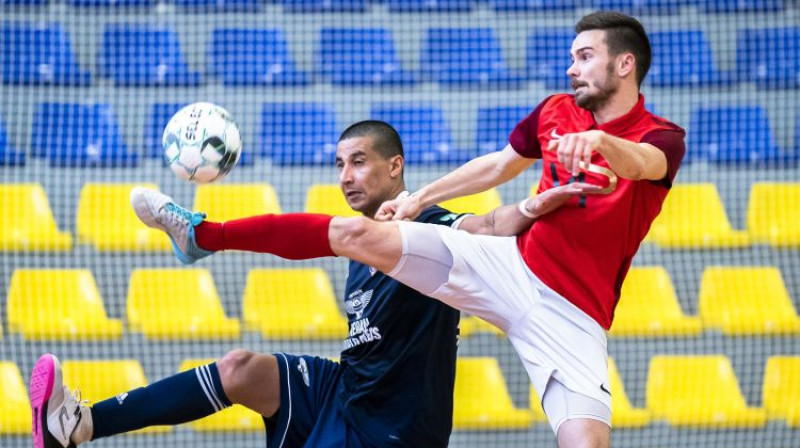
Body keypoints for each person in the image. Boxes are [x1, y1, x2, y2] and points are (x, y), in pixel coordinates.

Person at [31, 120, 595, 448]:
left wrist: (533, 203)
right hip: (346, 392)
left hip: (394, 431)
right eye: (339, 164)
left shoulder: (431, 227)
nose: (346, 176)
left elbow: (490, 225)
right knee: (239, 370)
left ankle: (203, 235)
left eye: (359, 162)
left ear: (395, 167)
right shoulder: (358, 244)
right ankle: (79, 424)